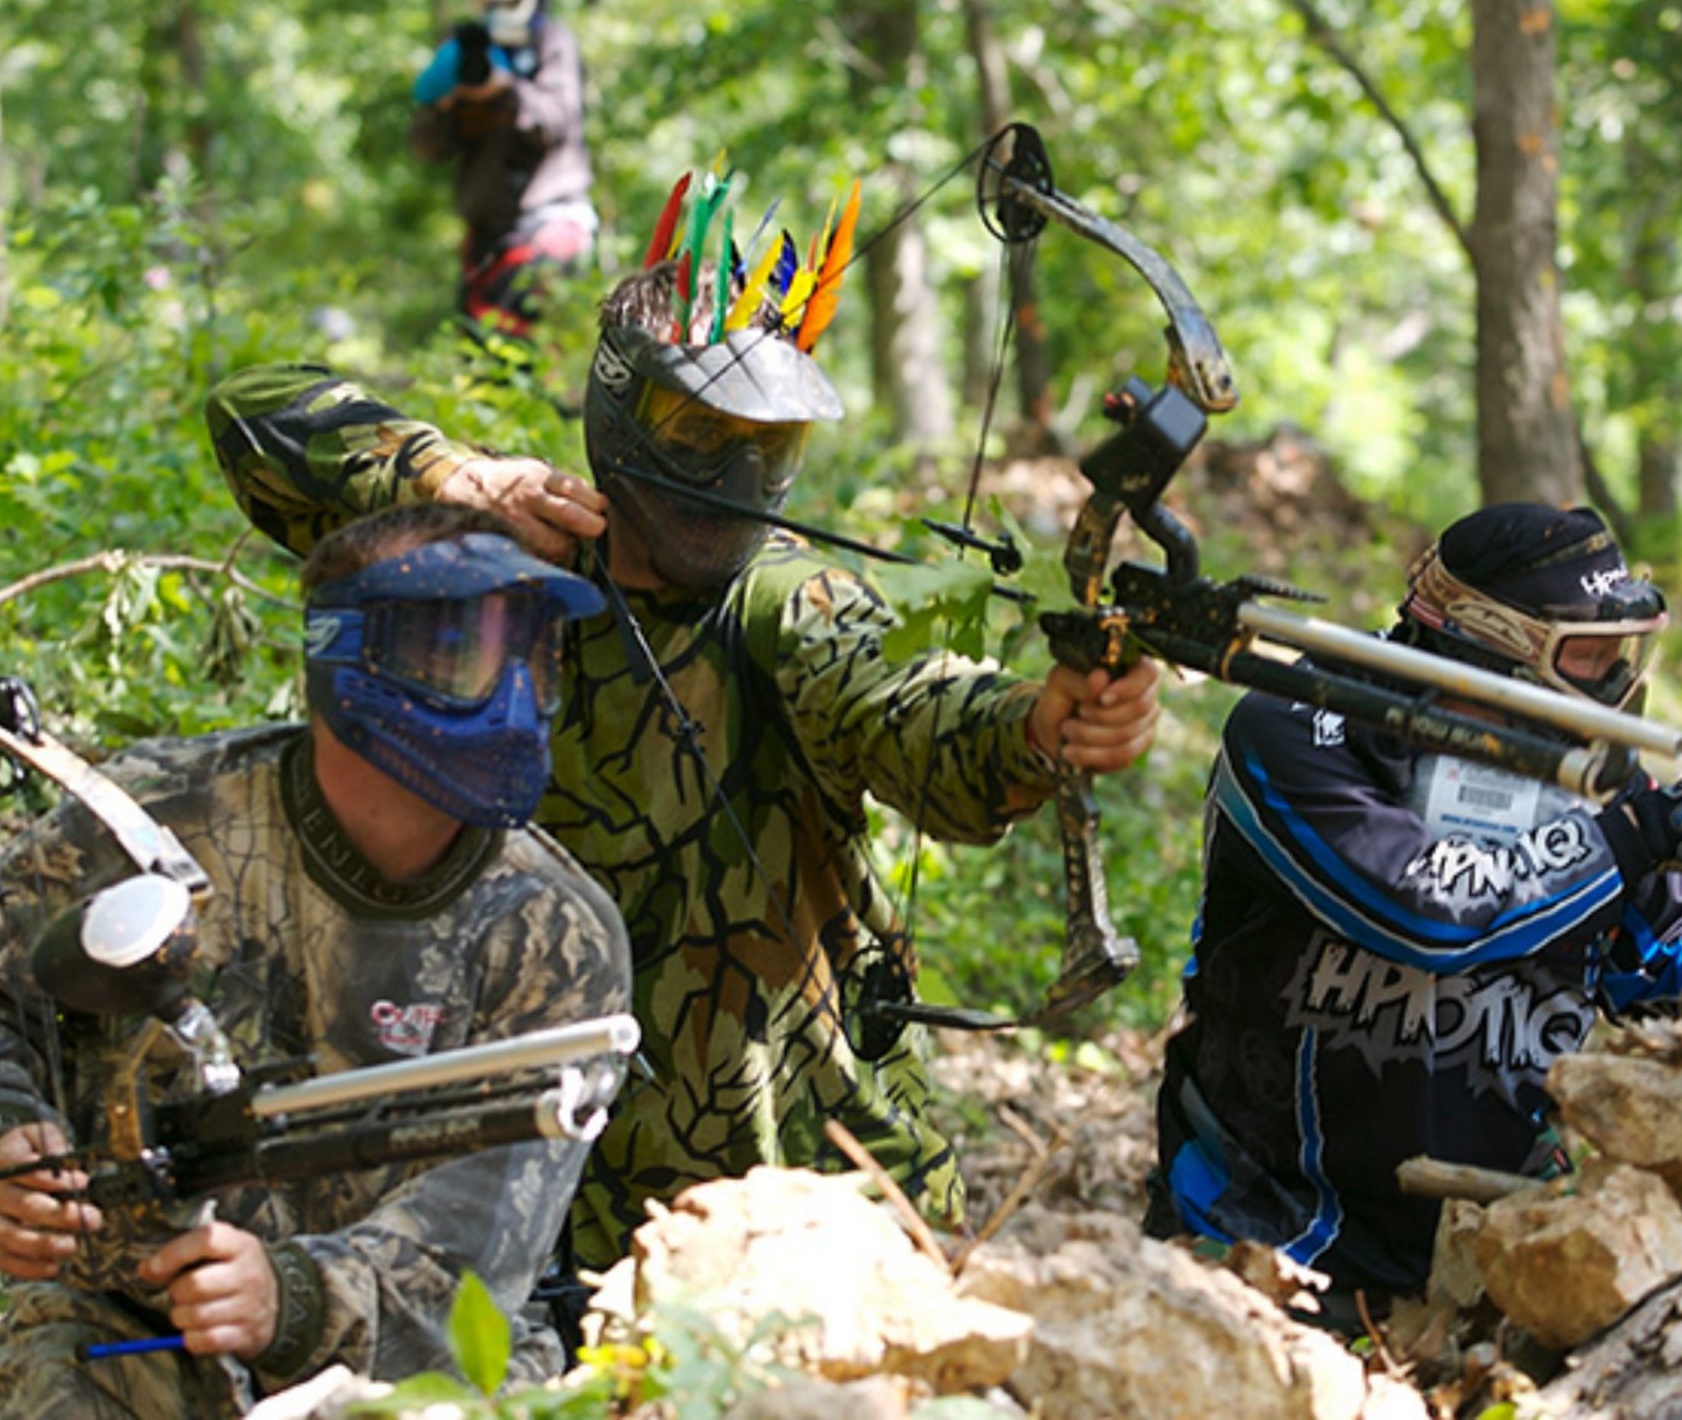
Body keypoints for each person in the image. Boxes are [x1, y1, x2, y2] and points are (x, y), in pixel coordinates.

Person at [202, 173, 1163, 1269]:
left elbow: (914, 713)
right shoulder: (506, 570)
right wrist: (451, 476)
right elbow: (254, 412)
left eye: (772, 440)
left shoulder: (790, 602)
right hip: (538, 1188)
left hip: (798, 1197)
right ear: (621, 410)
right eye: (700, 429)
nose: (738, 470)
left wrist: (1039, 725)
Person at [0, 506, 632, 1417]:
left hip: (420, 1370)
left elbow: (482, 1244)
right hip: (133, 1333)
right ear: (347, 658)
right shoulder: (162, 822)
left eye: (533, 657)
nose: (512, 698)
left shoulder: (557, 932)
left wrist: (291, 1298)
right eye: (461, 656)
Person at [1144, 503, 1682, 1305]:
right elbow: (1427, 910)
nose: (1614, 681)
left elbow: (1679, 981)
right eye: (1589, 655)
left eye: (1623, 652)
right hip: (1260, 1240)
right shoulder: (1296, 726)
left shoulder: (1589, 772)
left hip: (1487, 1260)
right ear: (1490, 639)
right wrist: (1640, 833)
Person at [409, 0, 595, 340]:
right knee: (477, 353)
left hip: (549, 219)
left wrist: (507, 92)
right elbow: (427, 148)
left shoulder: (550, 40)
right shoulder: (462, 47)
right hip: (486, 233)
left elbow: (559, 121)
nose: (498, 11)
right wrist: (449, 105)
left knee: (527, 346)